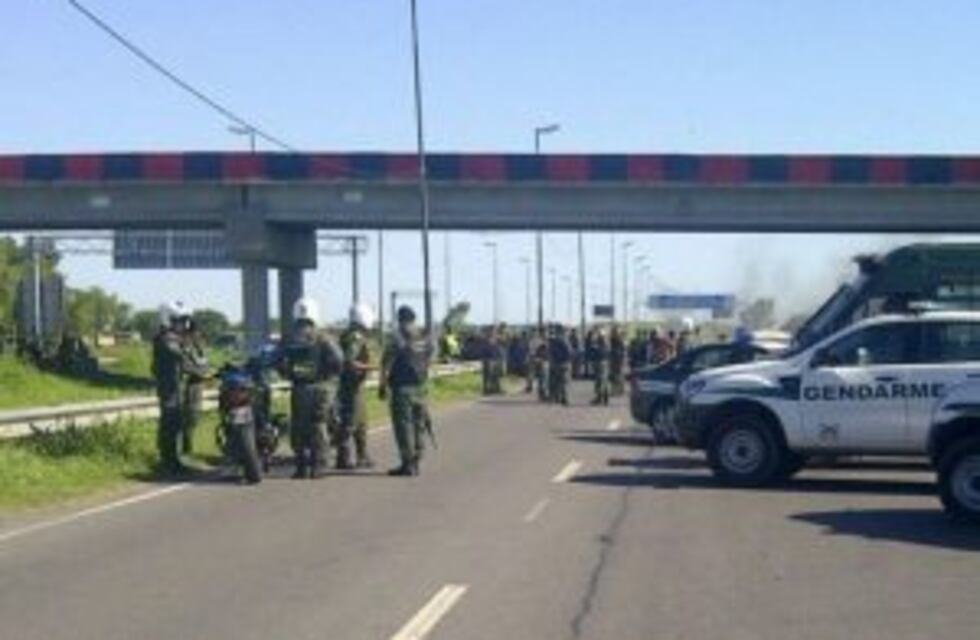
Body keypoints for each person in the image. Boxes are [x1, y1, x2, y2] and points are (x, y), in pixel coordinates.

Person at [279, 297, 343, 479]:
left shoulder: (289, 337)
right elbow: (338, 359)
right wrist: (331, 376)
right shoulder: (323, 337)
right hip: (322, 387)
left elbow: (278, 360)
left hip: (300, 388)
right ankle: (318, 466)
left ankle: (301, 466)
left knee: (299, 426)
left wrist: (287, 374)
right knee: (319, 424)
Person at [380, 305, 433, 476]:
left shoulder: (397, 337)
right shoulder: (425, 337)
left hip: (402, 390)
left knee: (403, 427)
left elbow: (385, 362)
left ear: (400, 319)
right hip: (421, 388)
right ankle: (417, 459)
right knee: (419, 425)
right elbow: (429, 358)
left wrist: (382, 385)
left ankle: (407, 463)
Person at [151, 301, 196, 475]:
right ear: (168, 319)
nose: (183, 324)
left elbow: (185, 359)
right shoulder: (165, 339)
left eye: (184, 321)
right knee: (170, 423)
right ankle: (168, 462)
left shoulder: (176, 338)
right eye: (179, 321)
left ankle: (173, 460)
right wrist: (188, 357)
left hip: (175, 386)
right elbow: (178, 354)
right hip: (168, 387)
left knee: (176, 423)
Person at [337, 303, 377, 470]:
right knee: (350, 421)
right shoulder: (355, 337)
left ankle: (362, 455)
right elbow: (349, 361)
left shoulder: (352, 334)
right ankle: (343, 457)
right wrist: (371, 367)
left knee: (361, 421)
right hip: (350, 385)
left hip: (355, 385)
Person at [180, 319, 208, 457]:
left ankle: (188, 445)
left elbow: (204, 363)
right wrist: (200, 373)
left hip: (198, 384)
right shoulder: (186, 345)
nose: (199, 335)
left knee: (195, 416)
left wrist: (205, 372)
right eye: (196, 332)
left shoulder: (199, 346)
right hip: (189, 385)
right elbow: (184, 366)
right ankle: (186, 447)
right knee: (189, 416)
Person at [548, 324, 573, 406]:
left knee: (556, 381)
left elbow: (550, 352)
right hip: (564, 363)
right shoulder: (564, 340)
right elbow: (569, 352)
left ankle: (556, 398)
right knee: (564, 382)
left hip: (556, 363)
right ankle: (564, 398)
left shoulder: (553, 341)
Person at [590, 328, 611, 405]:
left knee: (600, 381)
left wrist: (594, 347)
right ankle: (604, 398)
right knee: (603, 381)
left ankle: (600, 398)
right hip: (604, 363)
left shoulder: (601, 345)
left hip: (600, 363)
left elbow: (596, 352)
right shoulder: (606, 344)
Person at [609, 325, 626, 396]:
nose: (611, 333)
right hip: (616, 359)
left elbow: (622, 350)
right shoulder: (616, 340)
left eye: (613, 331)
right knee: (617, 374)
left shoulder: (616, 340)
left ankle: (617, 390)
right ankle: (618, 390)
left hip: (616, 359)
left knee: (617, 375)